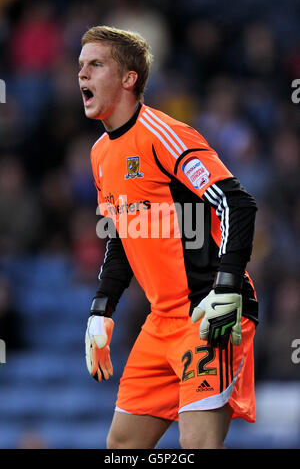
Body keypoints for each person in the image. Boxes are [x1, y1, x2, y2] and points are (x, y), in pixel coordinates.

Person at [78, 26, 258, 449]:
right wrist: (102, 309)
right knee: (121, 447)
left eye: (95, 65)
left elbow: (237, 204)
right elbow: (121, 236)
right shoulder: (100, 154)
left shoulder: (166, 136)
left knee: (196, 448)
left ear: (128, 79)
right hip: (160, 323)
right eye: (80, 66)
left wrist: (228, 284)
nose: (82, 75)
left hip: (208, 313)